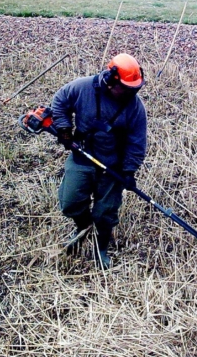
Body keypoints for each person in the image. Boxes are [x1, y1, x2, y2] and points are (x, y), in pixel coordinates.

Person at [51, 53, 147, 269]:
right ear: (111, 80)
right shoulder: (82, 88)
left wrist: (129, 171)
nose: (133, 93)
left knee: (105, 213)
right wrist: (65, 129)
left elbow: (137, 141)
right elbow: (59, 102)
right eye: (128, 88)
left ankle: (101, 245)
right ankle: (83, 225)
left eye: (136, 89)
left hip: (112, 165)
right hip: (82, 156)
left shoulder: (135, 107)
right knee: (70, 203)